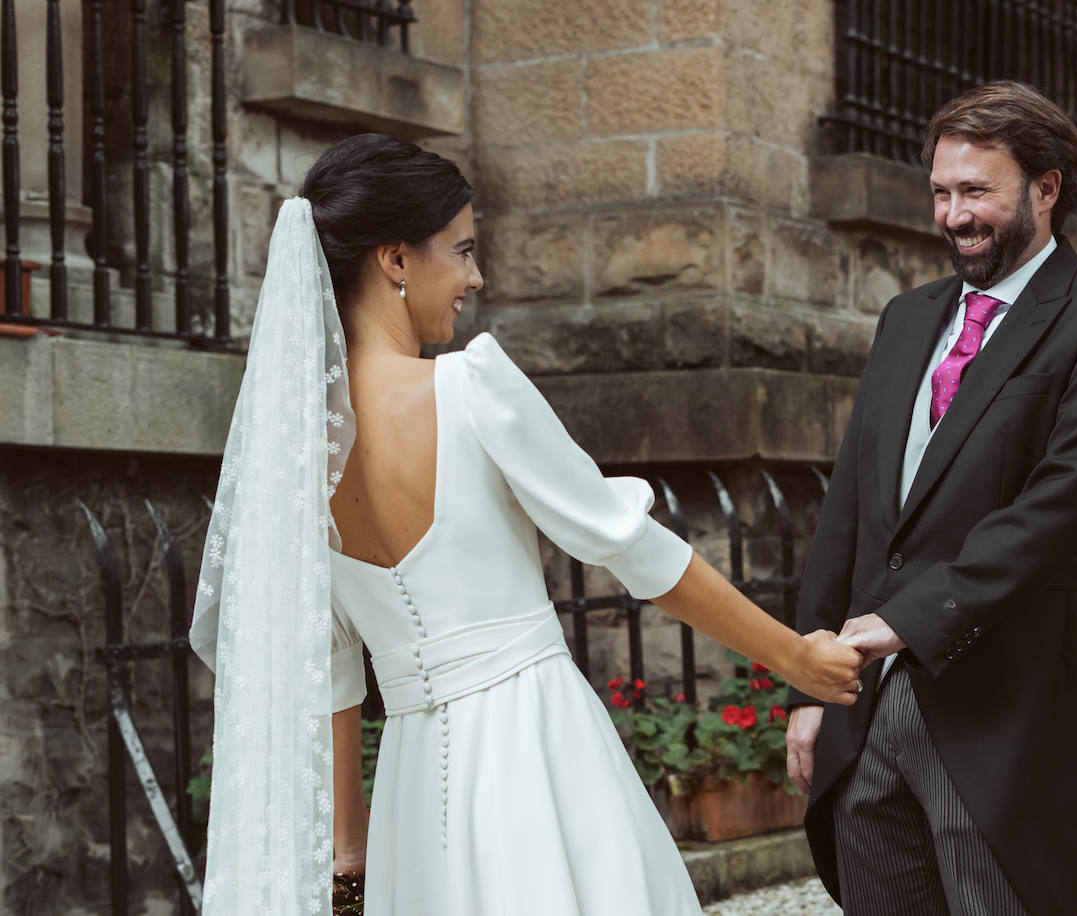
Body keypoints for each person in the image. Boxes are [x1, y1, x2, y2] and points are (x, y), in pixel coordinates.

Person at [188, 133, 863, 915]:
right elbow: (633, 548)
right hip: (533, 755)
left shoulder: (296, 462)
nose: (475, 276)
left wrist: (350, 848)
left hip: (412, 796)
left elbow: (334, 668)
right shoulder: (471, 387)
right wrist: (796, 659)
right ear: (396, 260)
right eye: (463, 250)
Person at [783, 82, 1077, 915]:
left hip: (1006, 710)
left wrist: (912, 618)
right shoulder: (906, 319)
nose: (954, 215)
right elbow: (848, 511)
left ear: (1045, 187)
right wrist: (810, 686)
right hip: (867, 708)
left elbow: (1064, 507)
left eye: (977, 191)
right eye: (941, 191)